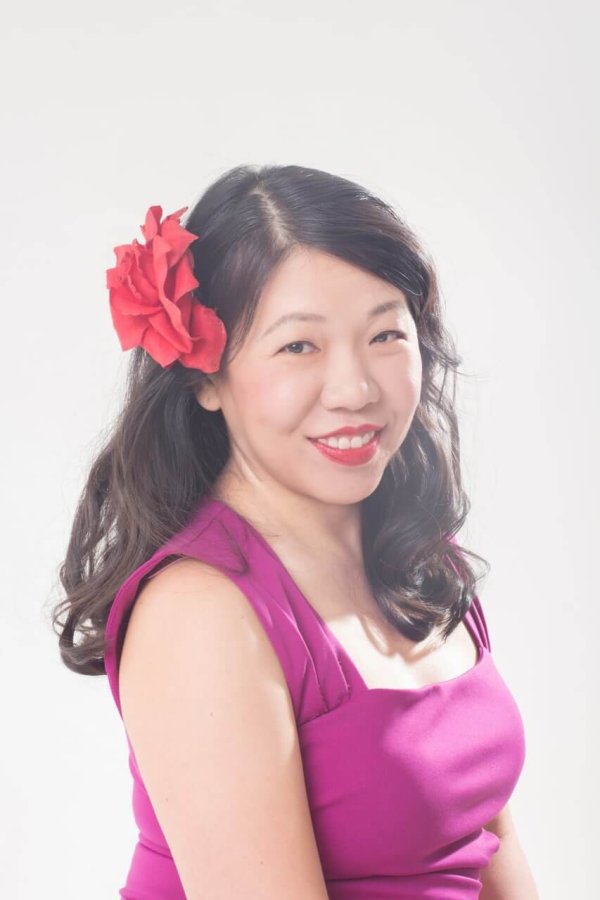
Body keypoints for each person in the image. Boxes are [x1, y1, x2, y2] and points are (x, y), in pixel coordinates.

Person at [51, 163, 539, 899]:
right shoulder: (202, 611)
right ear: (205, 378)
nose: (355, 390)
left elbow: (484, 842)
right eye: (299, 347)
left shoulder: (419, 562)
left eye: (385, 334)